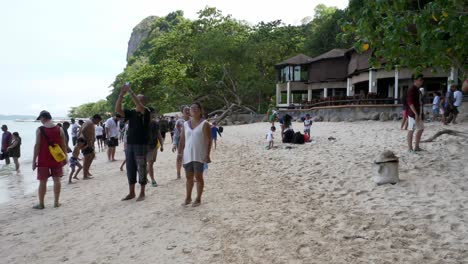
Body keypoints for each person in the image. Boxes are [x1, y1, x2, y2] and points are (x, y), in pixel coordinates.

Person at [116, 83, 151, 201]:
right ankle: (131, 193)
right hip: (130, 144)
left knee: (141, 167)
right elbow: (118, 110)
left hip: (141, 144)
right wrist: (121, 94)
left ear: (144, 102)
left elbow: (139, 106)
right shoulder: (131, 112)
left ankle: (142, 192)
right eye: (137, 98)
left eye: (140, 99)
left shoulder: (145, 111)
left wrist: (130, 91)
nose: (137, 100)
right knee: (130, 168)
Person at [178, 102, 212, 207]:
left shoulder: (205, 123)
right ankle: (188, 198)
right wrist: (180, 153)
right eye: (192, 108)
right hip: (187, 155)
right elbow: (182, 140)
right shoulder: (185, 124)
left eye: (197, 108)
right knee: (189, 177)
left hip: (199, 155)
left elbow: (208, 140)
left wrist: (207, 154)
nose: (194, 110)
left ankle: (198, 198)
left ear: (201, 111)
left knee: (198, 177)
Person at [32, 110, 67, 209]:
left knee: (43, 182)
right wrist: (65, 158)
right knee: (57, 180)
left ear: (44, 117)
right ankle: (56, 202)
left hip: (43, 160)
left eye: (40, 119)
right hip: (57, 159)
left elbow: (37, 146)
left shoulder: (40, 130)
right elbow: (63, 144)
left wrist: (34, 160)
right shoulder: (59, 129)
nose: (40, 121)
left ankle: (41, 204)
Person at [78, 114, 102, 179]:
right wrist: (88, 142)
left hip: (85, 142)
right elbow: (83, 131)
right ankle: (85, 175)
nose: (98, 123)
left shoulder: (88, 122)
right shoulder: (90, 123)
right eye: (98, 121)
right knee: (87, 158)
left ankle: (86, 172)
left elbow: (82, 131)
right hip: (86, 143)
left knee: (92, 155)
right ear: (95, 119)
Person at [406, 75, 425, 152]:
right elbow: (410, 103)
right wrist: (416, 113)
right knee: (411, 130)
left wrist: (420, 113)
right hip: (412, 113)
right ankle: (410, 148)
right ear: (415, 81)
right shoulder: (411, 89)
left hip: (418, 112)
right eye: (420, 80)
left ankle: (416, 147)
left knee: (420, 128)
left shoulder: (417, 90)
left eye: (422, 80)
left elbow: (419, 102)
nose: (422, 81)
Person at [147, 109, 164, 187]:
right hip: (147, 146)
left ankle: (143, 175)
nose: (152, 114)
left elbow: (158, 134)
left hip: (154, 146)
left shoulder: (155, 123)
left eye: (152, 113)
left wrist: (161, 144)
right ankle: (153, 180)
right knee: (150, 163)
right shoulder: (143, 123)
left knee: (152, 163)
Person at [172, 106, 190, 179]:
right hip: (181, 142)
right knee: (179, 157)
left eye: (189, 110)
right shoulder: (179, 121)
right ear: (182, 111)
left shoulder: (193, 120)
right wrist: (174, 144)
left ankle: (190, 173)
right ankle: (178, 173)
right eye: (186, 110)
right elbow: (176, 134)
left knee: (190, 158)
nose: (188, 111)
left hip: (190, 142)